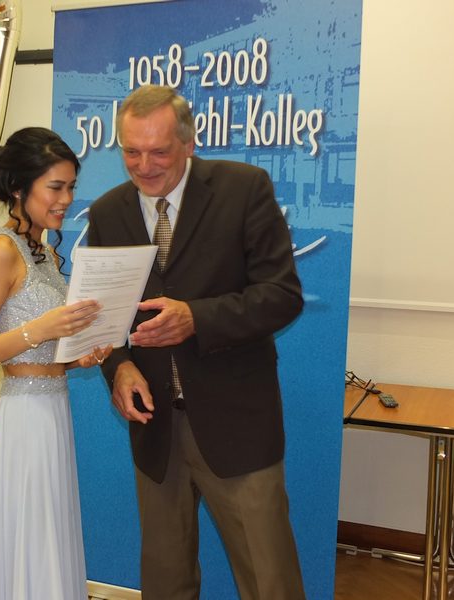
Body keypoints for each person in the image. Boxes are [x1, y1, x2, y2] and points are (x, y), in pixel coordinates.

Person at [88, 85, 306, 600]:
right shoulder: (107, 212)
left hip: (237, 424)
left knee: (270, 580)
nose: (144, 166)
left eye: (159, 151)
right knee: (165, 580)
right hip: (155, 429)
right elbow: (103, 316)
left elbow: (282, 296)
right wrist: (119, 367)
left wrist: (197, 319)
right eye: (131, 152)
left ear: (189, 143)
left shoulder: (243, 189)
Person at [0, 127, 111, 599]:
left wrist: (77, 357)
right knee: (28, 534)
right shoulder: (1, 250)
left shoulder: (45, 252)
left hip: (53, 410)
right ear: (20, 189)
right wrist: (40, 330)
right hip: (23, 418)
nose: (67, 199)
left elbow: (43, 353)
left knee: (49, 535)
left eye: (71, 187)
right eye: (55, 187)